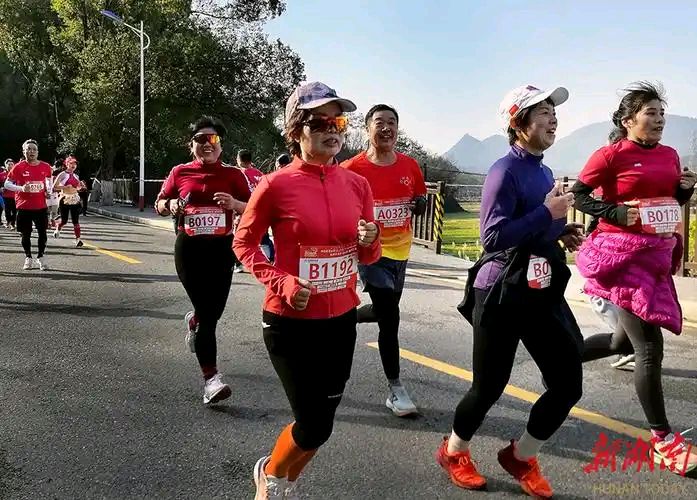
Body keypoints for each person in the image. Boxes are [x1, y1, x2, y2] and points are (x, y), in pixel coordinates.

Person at [233, 81, 380, 499]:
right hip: (289, 322)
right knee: (312, 423)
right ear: (296, 130)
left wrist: (370, 240)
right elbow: (243, 243)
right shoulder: (274, 185)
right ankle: (270, 476)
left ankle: (282, 480)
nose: (332, 130)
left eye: (338, 122)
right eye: (319, 123)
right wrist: (280, 281)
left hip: (341, 320)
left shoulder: (357, 185)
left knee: (323, 425)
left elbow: (369, 256)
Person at [438, 85, 583, 498]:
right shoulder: (504, 171)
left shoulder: (544, 172)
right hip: (500, 293)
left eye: (554, 111)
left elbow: (535, 227)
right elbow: (492, 237)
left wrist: (559, 231)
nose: (553, 118)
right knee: (488, 387)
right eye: (543, 111)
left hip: (538, 289)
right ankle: (454, 451)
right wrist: (546, 213)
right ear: (519, 124)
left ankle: (522, 455)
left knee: (568, 383)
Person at [570, 82, 697, 474]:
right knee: (649, 347)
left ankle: (562, 360)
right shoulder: (610, 155)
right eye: (650, 113)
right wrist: (615, 212)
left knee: (620, 341)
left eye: (662, 113)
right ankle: (663, 440)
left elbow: (667, 204)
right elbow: (579, 195)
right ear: (628, 121)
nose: (659, 120)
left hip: (655, 255)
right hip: (622, 258)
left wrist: (684, 191)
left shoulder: (670, 156)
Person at [155, 116, 250, 405]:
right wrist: (171, 204)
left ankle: (194, 320)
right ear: (191, 145)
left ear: (221, 145)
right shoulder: (180, 172)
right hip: (189, 251)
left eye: (213, 139)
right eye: (201, 139)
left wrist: (235, 204)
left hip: (222, 250)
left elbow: (254, 207)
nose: (207, 144)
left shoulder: (233, 175)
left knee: (211, 314)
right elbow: (160, 203)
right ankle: (211, 380)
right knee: (209, 318)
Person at [342, 104, 427, 417]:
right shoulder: (351, 169)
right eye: (380, 122)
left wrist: (420, 203)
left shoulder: (410, 165)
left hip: (401, 251)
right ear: (367, 129)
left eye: (392, 122)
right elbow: (340, 208)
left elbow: (420, 197)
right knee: (390, 317)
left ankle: (346, 317)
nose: (387, 128)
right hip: (371, 253)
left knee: (383, 310)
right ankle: (396, 390)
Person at [4, 140, 52, 270]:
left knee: (42, 233)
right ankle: (28, 257)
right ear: (24, 151)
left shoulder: (46, 166)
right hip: (24, 206)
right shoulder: (18, 167)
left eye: (34, 149)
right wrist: (21, 188)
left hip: (40, 206)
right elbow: (7, 184)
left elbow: (48, 182)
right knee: (26, 234)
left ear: (37, 152)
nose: (31, 151)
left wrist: (48, 191)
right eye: (28, 149)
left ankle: (41, 257)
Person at [53, 156, 86, 247]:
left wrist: (81, 187)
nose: (73, 165)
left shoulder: (76, 176)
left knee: (76, 221)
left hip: (74, 198)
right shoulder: (62, 174)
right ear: (66, 164)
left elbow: (77, 187)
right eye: (71, 163)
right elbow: (54, 187)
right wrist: (65, 187)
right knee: (64, 220)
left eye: (75, 164)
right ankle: (58, 227)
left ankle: (78, 239)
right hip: (65, 199)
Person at [1, 159, 16, 229]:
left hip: (16, 196)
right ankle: (8, 221)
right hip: (5, 196)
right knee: (7, 210)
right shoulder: (1, 175)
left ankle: (13, 223)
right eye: (8, 164)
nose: (10, 166)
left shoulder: (16, 174)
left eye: (11, 164)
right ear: (5, 165)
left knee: (15, 211)